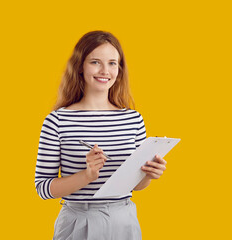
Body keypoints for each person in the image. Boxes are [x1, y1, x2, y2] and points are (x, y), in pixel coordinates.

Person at [35, 30, 167, 240]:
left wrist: (149, 175)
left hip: (124, 220)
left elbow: (136, 185)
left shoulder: (133, 119)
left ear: (119, 69)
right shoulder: (57, 120)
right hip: (78, 221)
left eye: (113, 63)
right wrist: (86, 176)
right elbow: (43, 188)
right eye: (95, 62)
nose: (105, 70)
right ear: (80, 66)